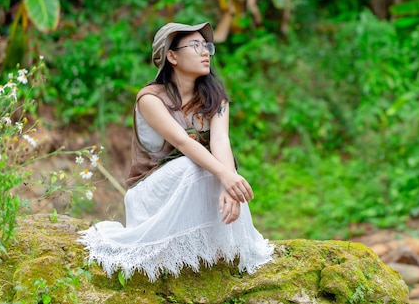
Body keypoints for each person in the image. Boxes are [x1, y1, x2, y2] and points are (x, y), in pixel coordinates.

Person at [78, 22, 274, 282]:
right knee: (197, 166)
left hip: (197, 180)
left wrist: (229, 184)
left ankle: (218, 246)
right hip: (152, 194)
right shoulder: (150, 99)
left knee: (221, 174)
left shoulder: (217, 99)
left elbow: (221, 142)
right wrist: (225, 176)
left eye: (207, 46)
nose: (205, 52)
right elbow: (183, 143)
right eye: (195, 46)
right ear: (172, 56)